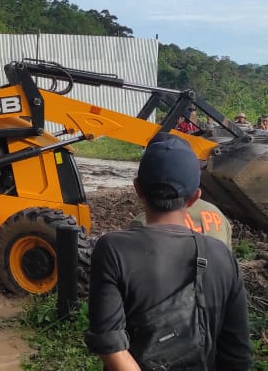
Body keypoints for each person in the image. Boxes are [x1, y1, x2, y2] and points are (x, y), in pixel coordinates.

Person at [87, 133, 252, 370]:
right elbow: (237, 354)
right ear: (195, 197)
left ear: (137, 189)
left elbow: (110, 345)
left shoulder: (113, 250)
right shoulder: (221, 255)